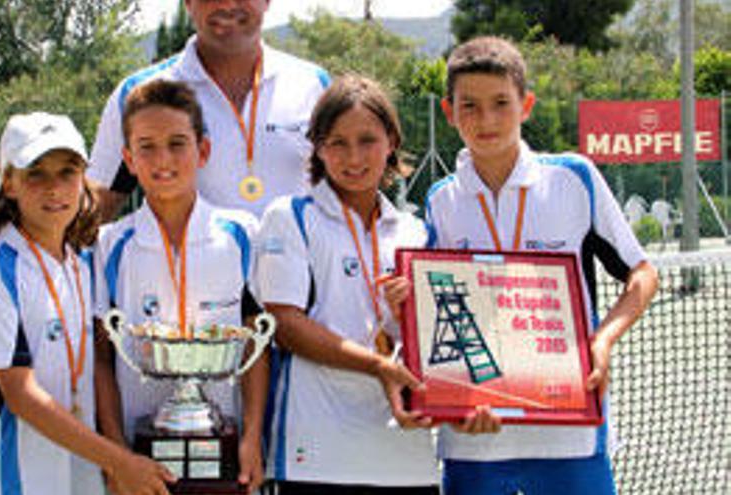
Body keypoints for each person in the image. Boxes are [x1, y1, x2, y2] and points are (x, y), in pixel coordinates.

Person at [423, 36, 659, 495]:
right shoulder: (440, 202)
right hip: (475, 438)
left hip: (569, 433)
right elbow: (432, 308)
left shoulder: (574, 179)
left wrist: (603, 340)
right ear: (449, 113)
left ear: (526, 105)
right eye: (469, 106)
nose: (486, 119)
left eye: (501, 103)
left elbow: (642, 274)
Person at [0, 112, 174, 495]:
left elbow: (97, 364)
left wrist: (114, 457)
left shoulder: (83, 263)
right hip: (13, 480)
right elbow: (21, 396)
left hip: (81, 474)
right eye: (35, 173)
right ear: (9, 183)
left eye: (67, 172)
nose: (54, 189)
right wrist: (121, 462)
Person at [251, 75, 441, 494]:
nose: (353, 157)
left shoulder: (415, 232)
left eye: (367, 140)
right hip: (316, 456)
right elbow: (285, 325)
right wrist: (377, 366)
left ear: (391, 141)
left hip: (405, 456)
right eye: (337, 142)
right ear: (317, 148)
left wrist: (405, 315)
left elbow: (427, 342)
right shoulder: (290, 217)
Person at [93, 80, 267, 494]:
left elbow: (256, 347)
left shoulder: (242, 234)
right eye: (146, 146)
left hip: (225, 461)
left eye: (177, 143)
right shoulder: (109, 244)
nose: (163, 160)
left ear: (202, 151)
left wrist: (251, 437)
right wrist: (117, 455)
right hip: (138, 465)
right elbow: (100, 359)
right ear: (128, 158)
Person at [88, 0, 329, 220]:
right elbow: (97, 208)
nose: (226, 4)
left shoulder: (314, 85)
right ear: (188, 3)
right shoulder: (140, 93)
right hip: (184, 268)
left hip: (299, 267)